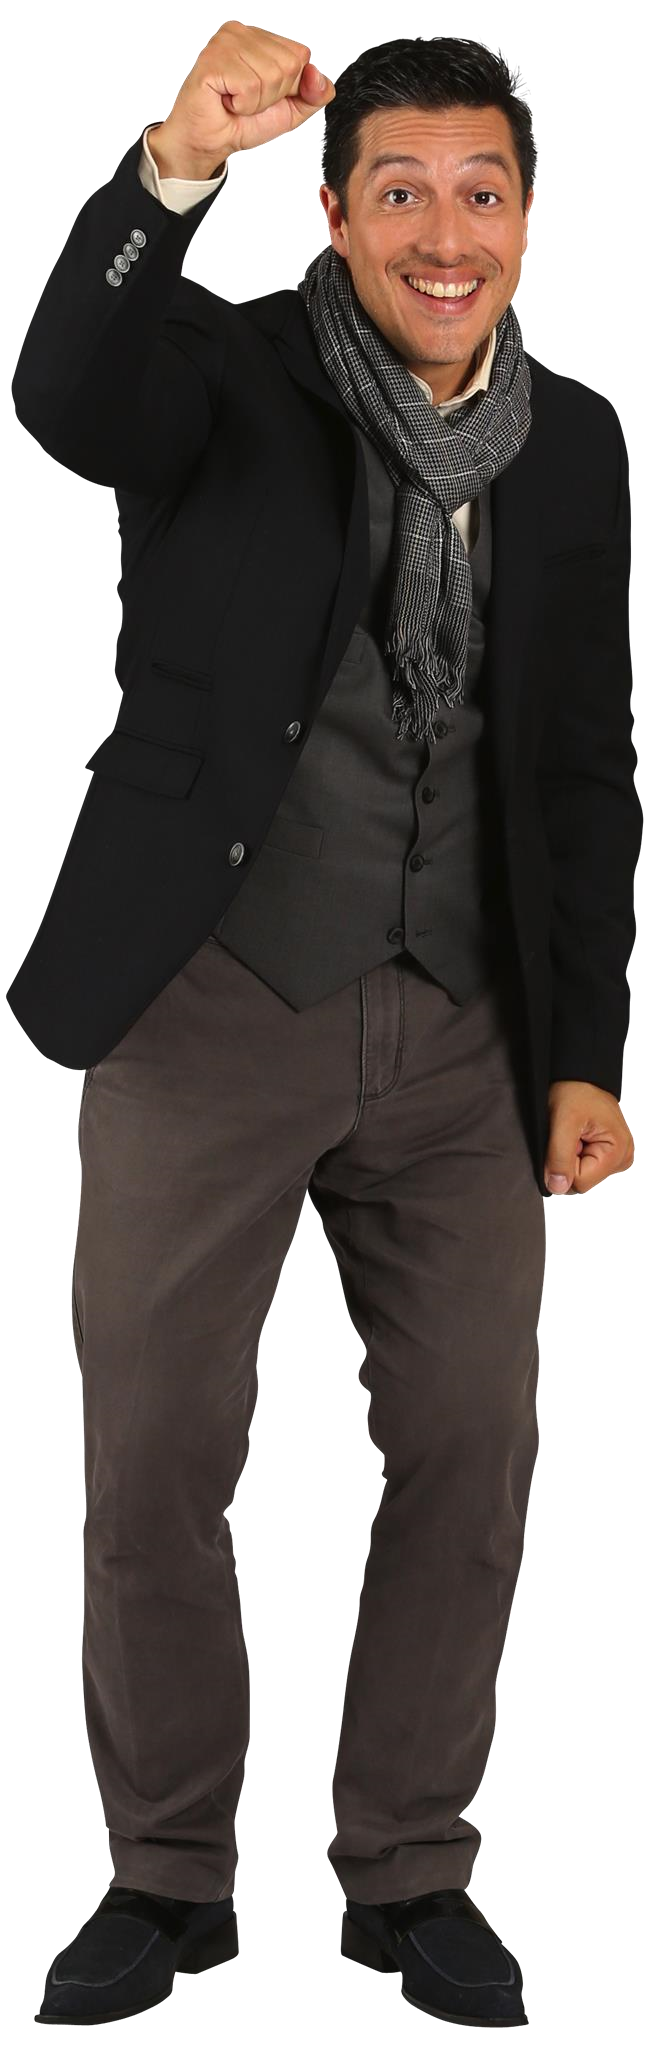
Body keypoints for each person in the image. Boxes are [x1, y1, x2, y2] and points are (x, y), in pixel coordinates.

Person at [10, 22, 637, 2030]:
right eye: (400, 191)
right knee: (159, 1450)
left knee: (469, 1442)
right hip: (208, 1001)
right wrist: (167, 165)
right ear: (334, 213)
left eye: (482, 192)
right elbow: (64, 394)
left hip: (464, 1031)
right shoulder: (220, 371)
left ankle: (408, 1866)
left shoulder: (575, 439)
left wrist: (586, 1051)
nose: (445, 233)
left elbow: (580, 767)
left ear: (528, 218)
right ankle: (169, 1871)